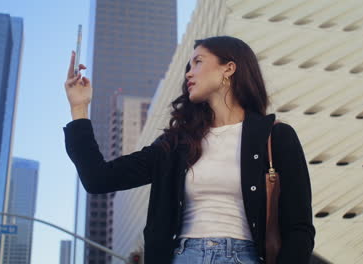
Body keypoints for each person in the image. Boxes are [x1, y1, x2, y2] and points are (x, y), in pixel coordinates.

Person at [63, 35, 315, 264]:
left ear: (229, 68)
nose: (188, 73)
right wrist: (79, 108)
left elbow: (299, 228)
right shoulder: (175, 145)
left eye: (198, 62)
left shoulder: (276, 136)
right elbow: (98, 179)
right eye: (189, 66)